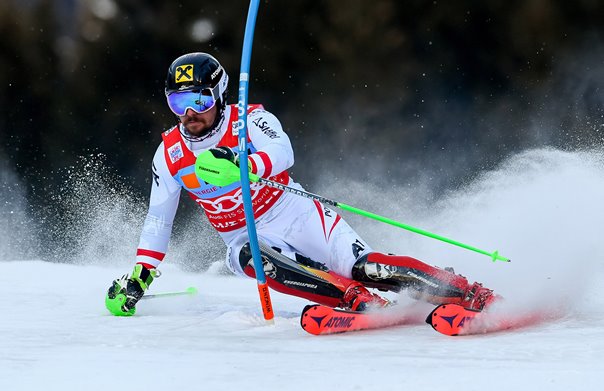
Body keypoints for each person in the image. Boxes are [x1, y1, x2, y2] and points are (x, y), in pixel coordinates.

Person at [105, 52, 497, 316]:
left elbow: (283, 151)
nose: (189, 115)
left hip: (296, 212)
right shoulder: (170, 153)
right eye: (178, 104)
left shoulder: (247, 120)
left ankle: (466, 292)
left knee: (368, 267)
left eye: (200, 102)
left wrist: (244, 163)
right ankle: (354, 301)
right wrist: (141, 275)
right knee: (255, 260)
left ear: (219, 97)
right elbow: (159, 219)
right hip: (244, 237)